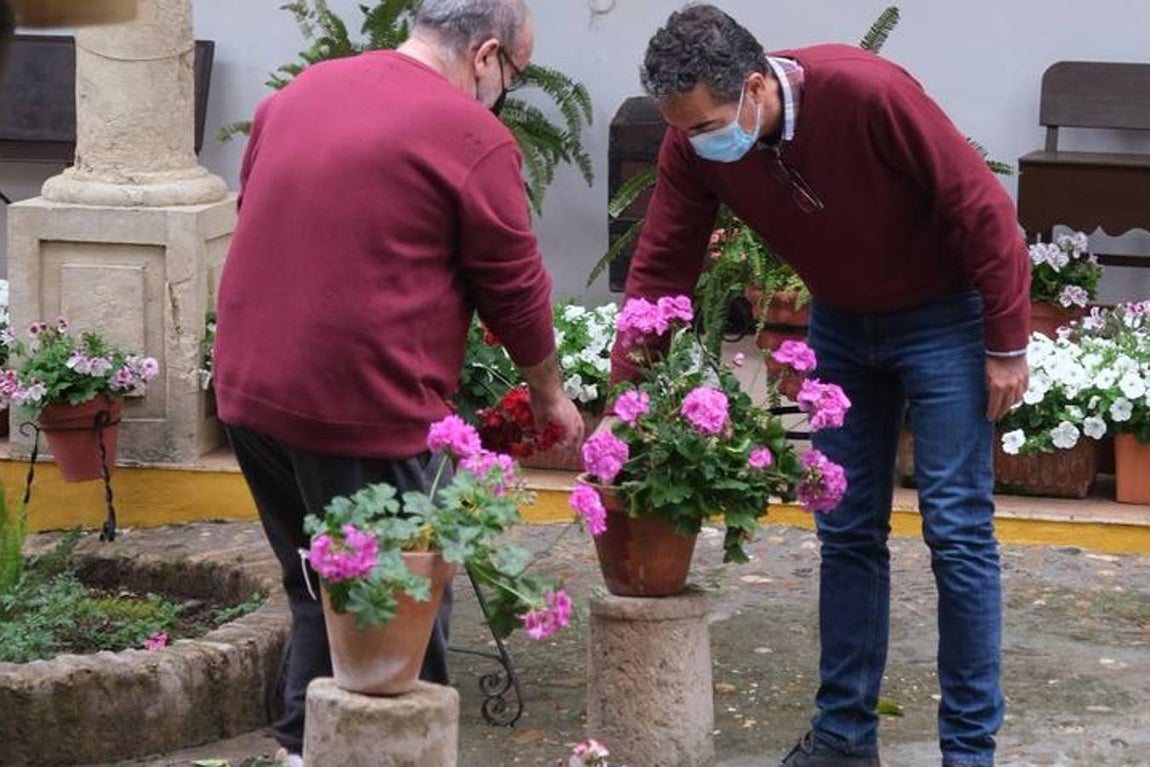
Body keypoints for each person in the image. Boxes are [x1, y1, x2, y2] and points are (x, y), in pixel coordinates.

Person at [616, 6, 1030, 767]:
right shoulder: (695, 140)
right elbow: (663, 260)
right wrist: (627, 397)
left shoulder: (867, 93)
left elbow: (980, 207)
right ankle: (844, 738)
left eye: (706, 123)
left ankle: (969, 751)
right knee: (844, 531)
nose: (701, 142)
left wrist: (1006, 341)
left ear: (752, 88)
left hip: (944, 315)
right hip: (841, 319)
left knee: (958, 531)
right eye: (684, 129)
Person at [213, 0, 583, 760]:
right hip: (360, 402)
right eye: (513, 73)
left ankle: (300, 749)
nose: (507, 90)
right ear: (485, 57)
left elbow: (259, 213)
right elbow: (513, 285)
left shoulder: (297, 94)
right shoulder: (473, 134)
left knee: (322, 586)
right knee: (400, 613)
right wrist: (549, 392)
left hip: (251, 390)